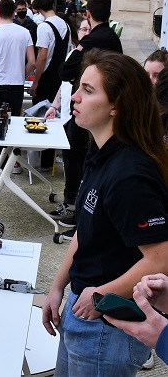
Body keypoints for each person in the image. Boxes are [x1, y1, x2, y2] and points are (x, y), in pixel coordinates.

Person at [41, 51, 168, 377]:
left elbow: (160, 257)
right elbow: (86, 227)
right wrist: (58, 287)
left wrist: (101, 295)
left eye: (88, 90)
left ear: (116, 106)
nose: (76, 97)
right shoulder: (100, 152)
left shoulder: (131, 174)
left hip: (108, 327)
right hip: (82, 309)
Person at [54, 0, 123, 233]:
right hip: (103, 107)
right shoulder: (114, 38)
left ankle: (75, 206)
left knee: (77, 155)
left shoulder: (93, 39)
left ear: (88, 14)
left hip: (92, 108)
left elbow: (66, 70)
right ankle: (76, 206)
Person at [0, 0, 35, 170]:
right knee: (16, 122)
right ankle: (16, 161)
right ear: (14, 12)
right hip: (16, 84)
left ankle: (2, 163)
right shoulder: (24, 32)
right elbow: (32, 62)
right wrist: (21, 74)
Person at [29, 0, 69, 171]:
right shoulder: (65, 25)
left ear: (37, 8)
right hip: (60, 76)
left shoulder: (43, 27)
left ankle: (37, 161)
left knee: (40, 117)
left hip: (46, 78)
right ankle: (49, 160)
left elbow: (42, 56)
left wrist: (35, 81)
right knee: (55, 118)